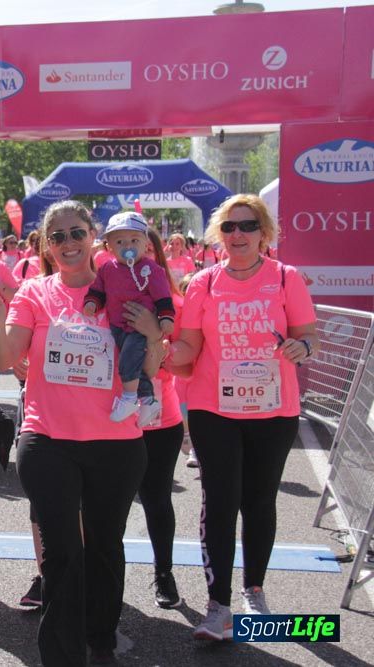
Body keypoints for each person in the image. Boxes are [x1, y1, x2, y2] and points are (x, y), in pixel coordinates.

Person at [0, 199, 153, 666]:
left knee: (104, 547)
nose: (69, 243)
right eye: (58, 236)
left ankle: (101, 641)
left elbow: (152, 366)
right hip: (48, 440)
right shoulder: (34, 293)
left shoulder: (124, 287)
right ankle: (61, 655)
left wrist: (153, 332)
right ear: (46, 245)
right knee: (62, 551)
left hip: (116, 443)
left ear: (93, 237)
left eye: (77, 233)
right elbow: (5, 358)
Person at [168, 194, 318, 641]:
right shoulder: (203, 283)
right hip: (215, 409)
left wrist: (301, 347)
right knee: (219, 502)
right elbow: (189, 348)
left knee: (259, 501)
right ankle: (219, 606)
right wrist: (157, 348)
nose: (238, 234)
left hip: (273, 410)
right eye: (229, 227)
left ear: (264, 233)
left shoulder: (286, 278)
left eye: (248, 226)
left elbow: (308, 335)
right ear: (219, 234)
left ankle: (254, 592)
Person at [131, 228, 189, 609]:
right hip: (114, 419)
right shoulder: (105, 300)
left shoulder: (176, 304)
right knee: (109, 505)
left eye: (147, 249)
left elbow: (187, 365)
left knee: (156, 499)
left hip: (161, 420)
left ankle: (164, 573)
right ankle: (103, 579)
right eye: (128, 246)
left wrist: (158, 341)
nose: (138, 256)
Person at [83, 212, 175, 425]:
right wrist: (92, 303)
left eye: (134, 240)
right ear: (109, 247)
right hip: (117, 327)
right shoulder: (107, 269)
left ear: (145, 243)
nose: (128, 246)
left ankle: (129, 398)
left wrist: (165, 318)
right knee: (133, 364)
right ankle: (148, 400)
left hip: (138, 327)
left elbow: (163, 297)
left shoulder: (152, 270)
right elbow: (98, 291)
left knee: (127, 362)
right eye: (120, 242)